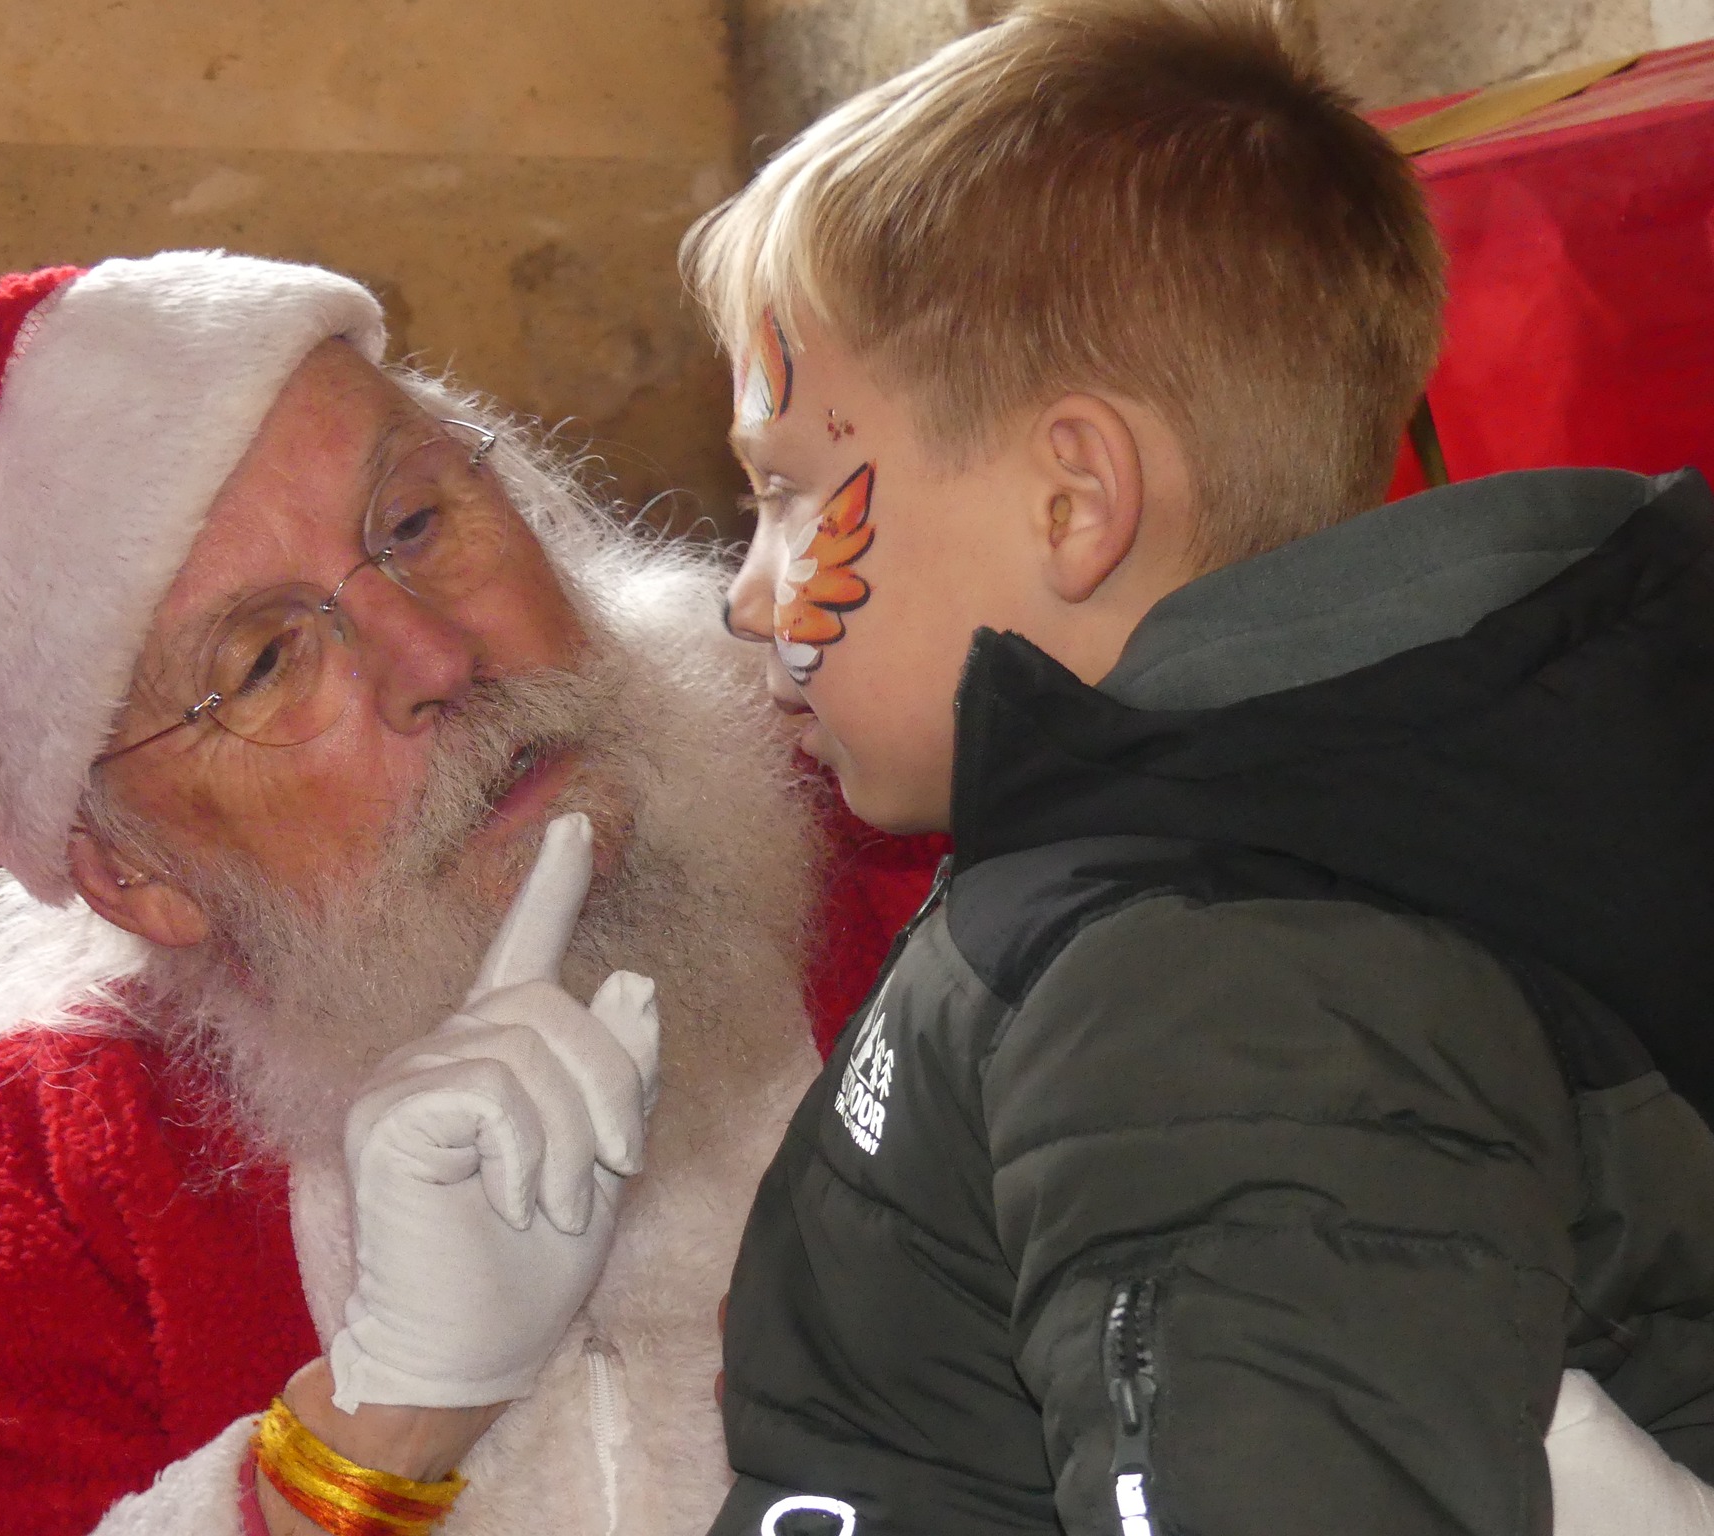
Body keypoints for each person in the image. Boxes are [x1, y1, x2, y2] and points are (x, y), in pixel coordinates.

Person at [0, 249, 932, 1536]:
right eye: (267, 660)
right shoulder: (79, 1175)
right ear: (138, 879)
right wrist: (382, 1421)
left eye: (420, 524)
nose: (437, 655)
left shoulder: (915, 838)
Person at [684, 1, 1714, 1533]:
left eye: (784, 491)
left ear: (1073, 500)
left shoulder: (1223, 994)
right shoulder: (1175, 860)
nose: (747, 592)